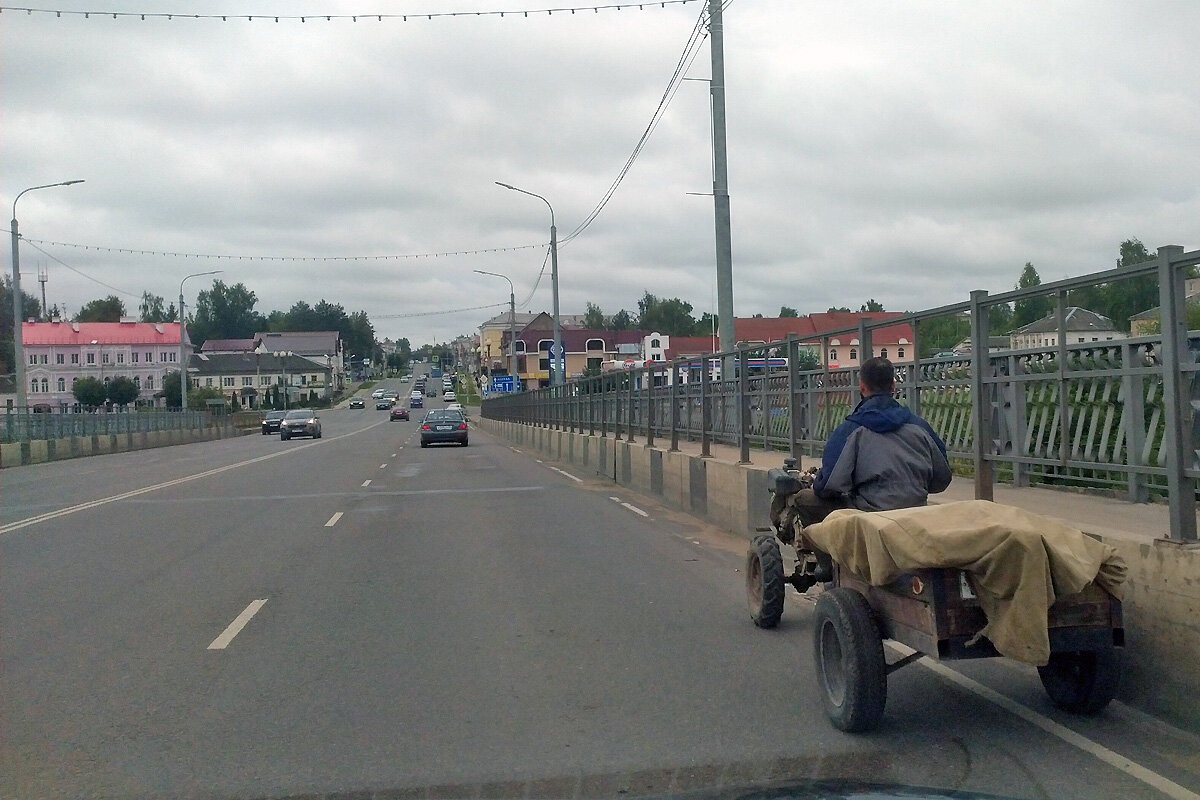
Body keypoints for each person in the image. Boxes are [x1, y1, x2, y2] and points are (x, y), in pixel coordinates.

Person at [780, 356, 952, 538]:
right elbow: (942, 479)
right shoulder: (920, 427)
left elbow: (827, 487)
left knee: (804, 499)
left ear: (862, 387)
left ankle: (827, 565)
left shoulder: (850, 430)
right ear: (893, 386)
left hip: (869, 515)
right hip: (914, 513)